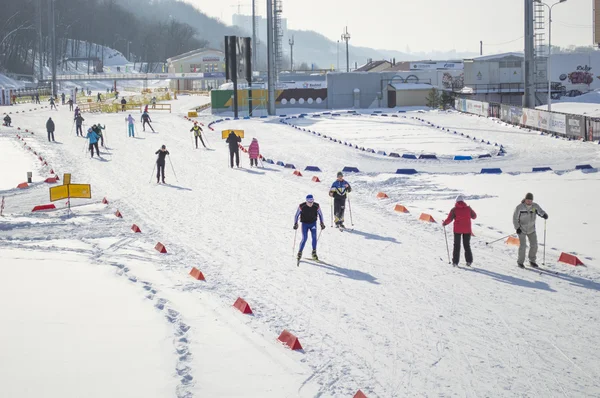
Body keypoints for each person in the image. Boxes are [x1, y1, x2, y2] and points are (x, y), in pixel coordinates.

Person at [513, 193, 548, 268]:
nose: (529, 201)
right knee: (523, 246)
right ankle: (520, 262)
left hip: (531, 229)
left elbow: (540, 211)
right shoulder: (519, 207)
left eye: (530, 200)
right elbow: (515, 219)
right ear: (525, 199)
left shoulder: (535, 206)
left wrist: (544, 214)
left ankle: (532, 261)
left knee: (534, 245)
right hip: (522, 229)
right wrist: (517, 228)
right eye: (528, 200)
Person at [442, 194, 477, 267]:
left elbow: (449, 219)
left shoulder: (454, 209)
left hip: (457, 230)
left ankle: (455, 262)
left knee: (457, 245)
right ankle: (469, 261)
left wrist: (444, 223)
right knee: (467, 245)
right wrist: (470, 210)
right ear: (463, 201)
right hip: (467, 230)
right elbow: (474, 216)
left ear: (456, 201)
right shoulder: (468, 208)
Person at [294, 194, 326, 262]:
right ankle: (299, 252)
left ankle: (314, 252)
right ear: (306, 201)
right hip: (305, 224)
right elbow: (296, 215)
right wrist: (295, 223)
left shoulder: (316, 205)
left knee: (314, 237)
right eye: (309, 202)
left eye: (312, 201)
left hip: (313, 223)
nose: (311, 203)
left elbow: (321, 214)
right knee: (304, 238)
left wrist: (322, 223)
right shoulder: (302, 206)